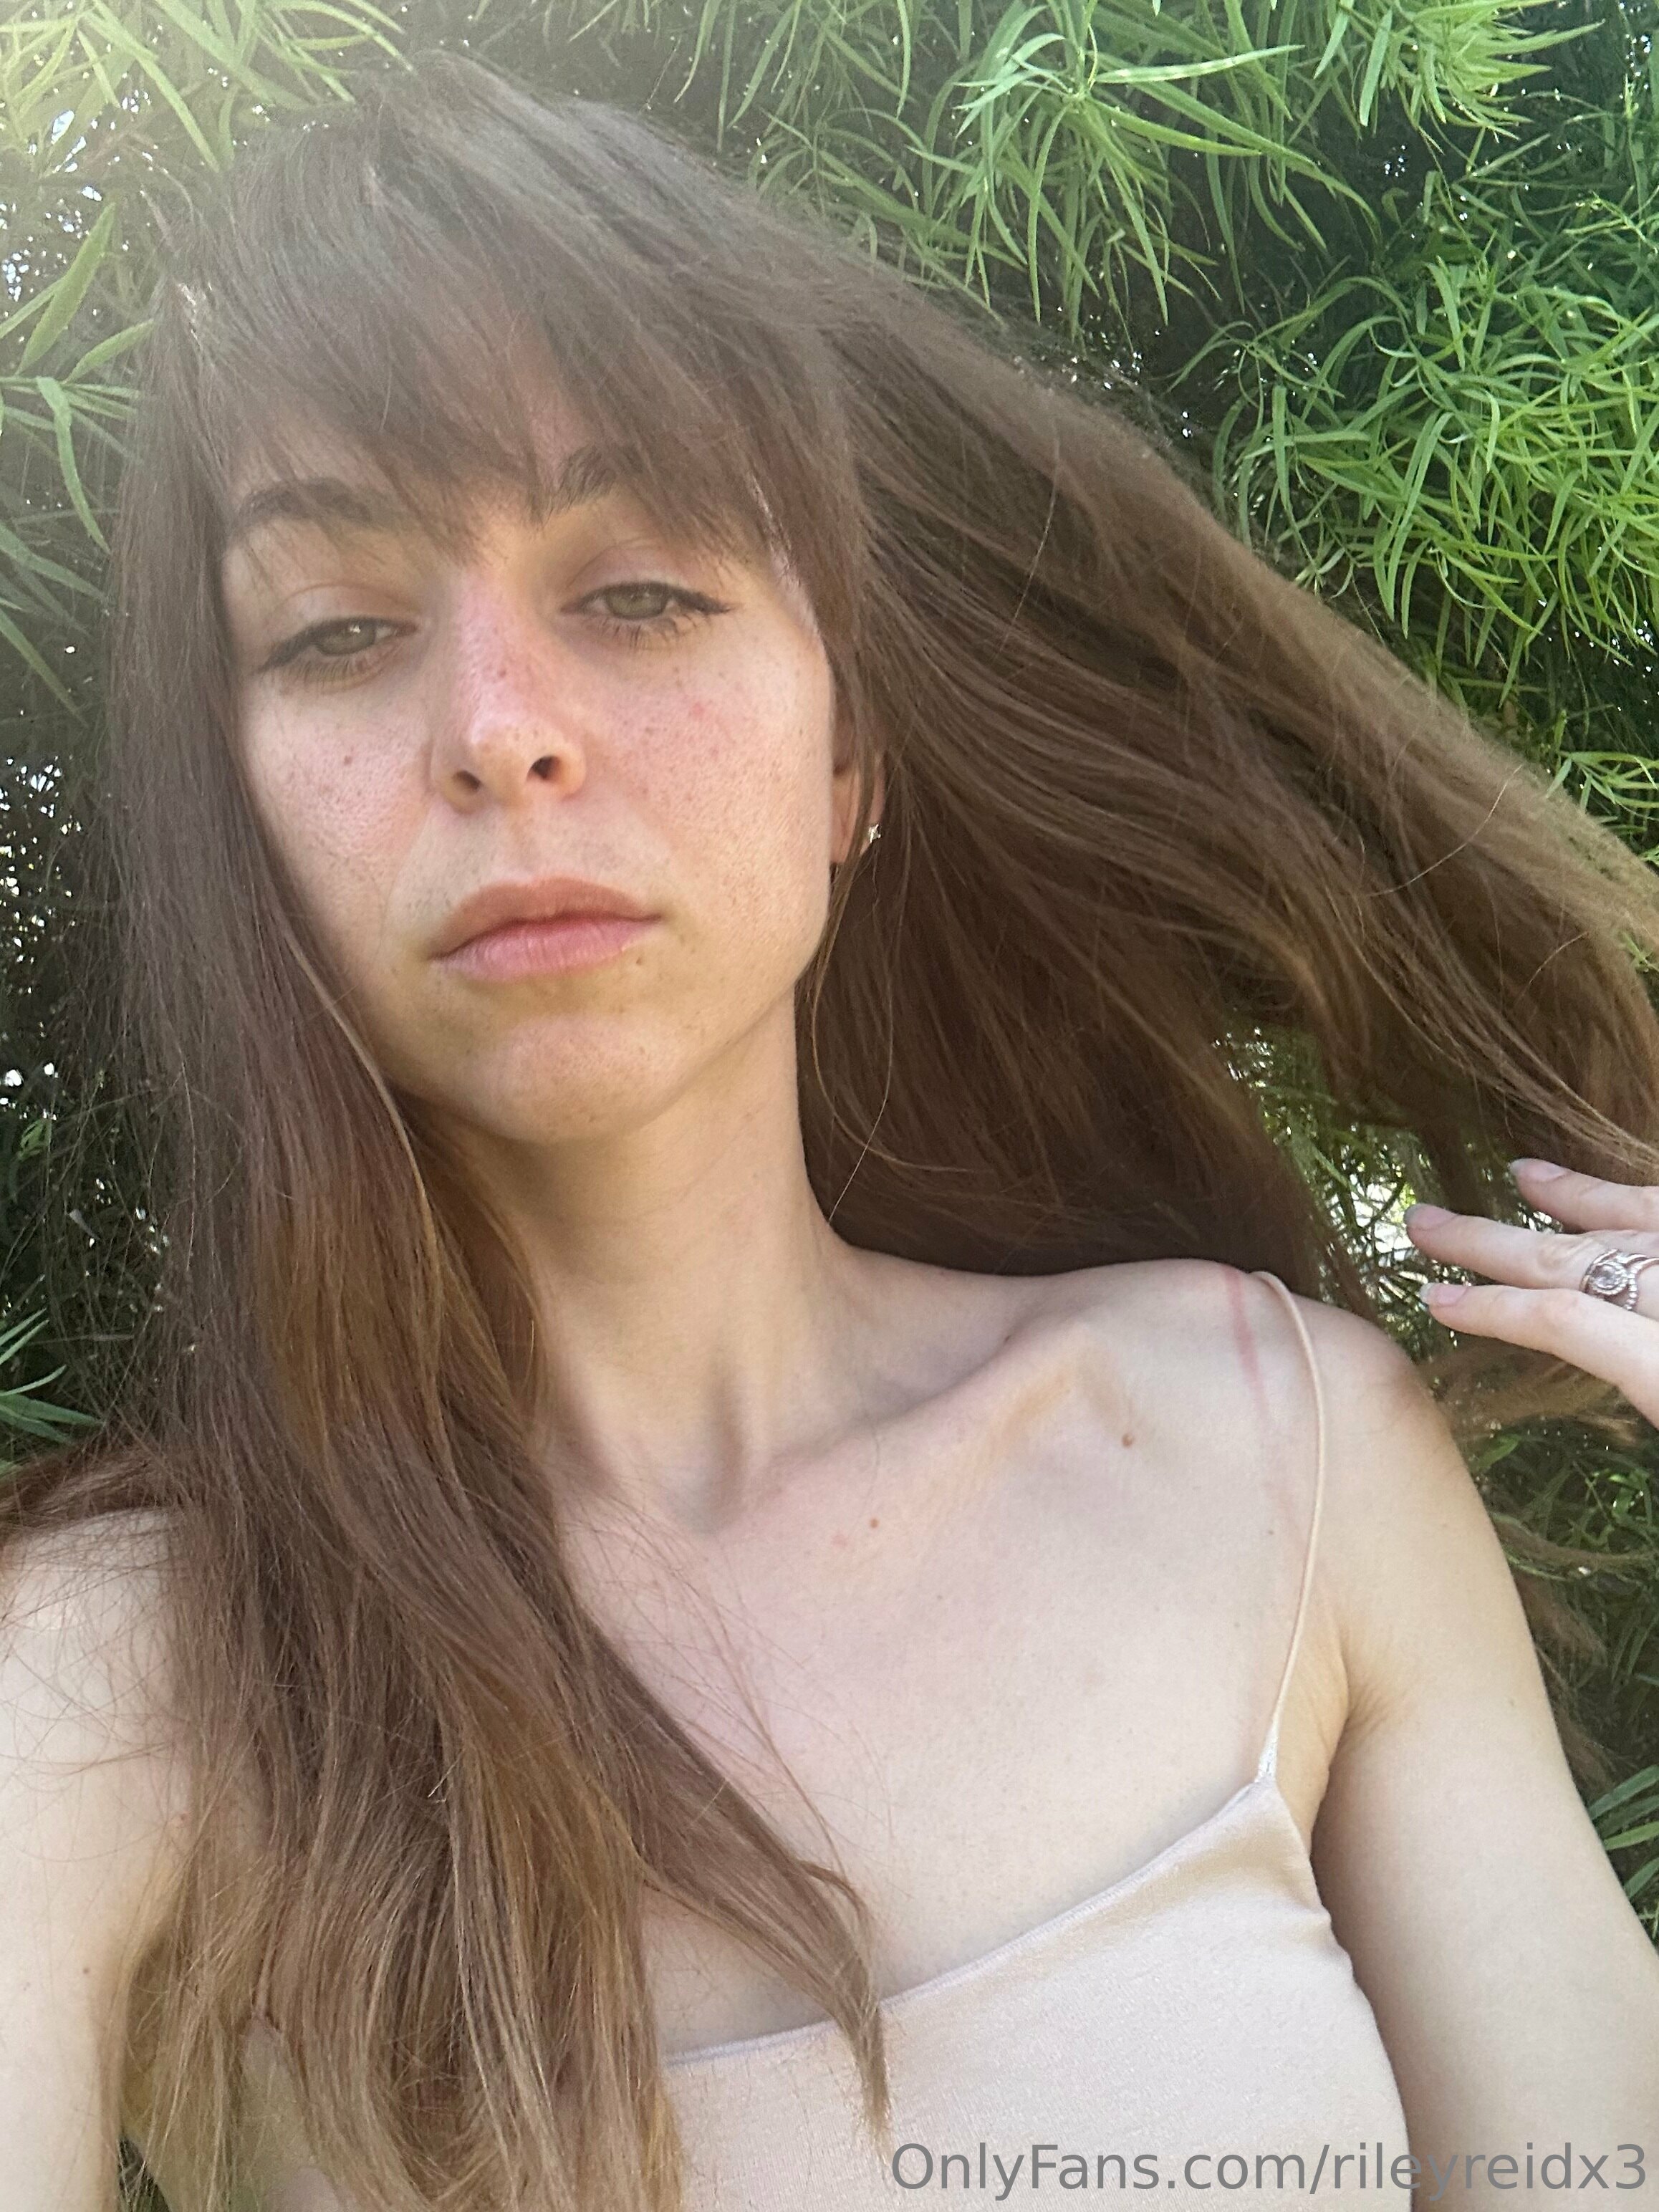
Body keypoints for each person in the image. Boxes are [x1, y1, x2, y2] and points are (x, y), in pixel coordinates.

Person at [2, 45, 1657, 2212]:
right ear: (238, 815)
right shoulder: (111, 1689)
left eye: (638, 593)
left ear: (849, 752)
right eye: (339, 631)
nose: (496, 730)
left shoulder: (1283, 1446)